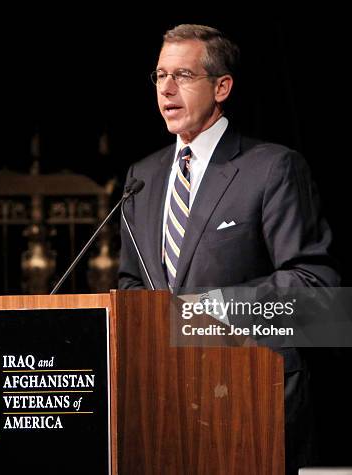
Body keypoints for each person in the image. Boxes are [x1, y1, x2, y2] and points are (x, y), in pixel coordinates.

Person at [118, 24, 340, 474]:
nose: (167, 89)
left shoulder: (271, 168)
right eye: (160, 76)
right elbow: (132, 282)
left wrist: (204, 312)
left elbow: (312, 284)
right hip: (163, 408)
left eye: (182, 75)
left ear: (222, 87)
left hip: (249, 397)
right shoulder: (141, 177)